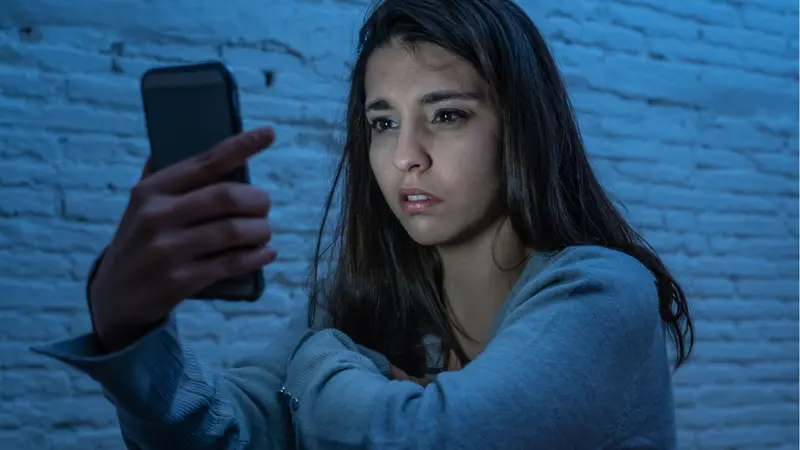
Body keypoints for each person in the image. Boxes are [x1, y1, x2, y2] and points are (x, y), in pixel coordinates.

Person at [33, 0, 694, 448]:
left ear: (521, 128)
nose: (406, 156)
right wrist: (130, 330)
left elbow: (412, 439)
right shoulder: (365, 296)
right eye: (383, 122)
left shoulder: (603, 290)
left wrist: (316, 356)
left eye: (447, 115)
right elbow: (230, 433)